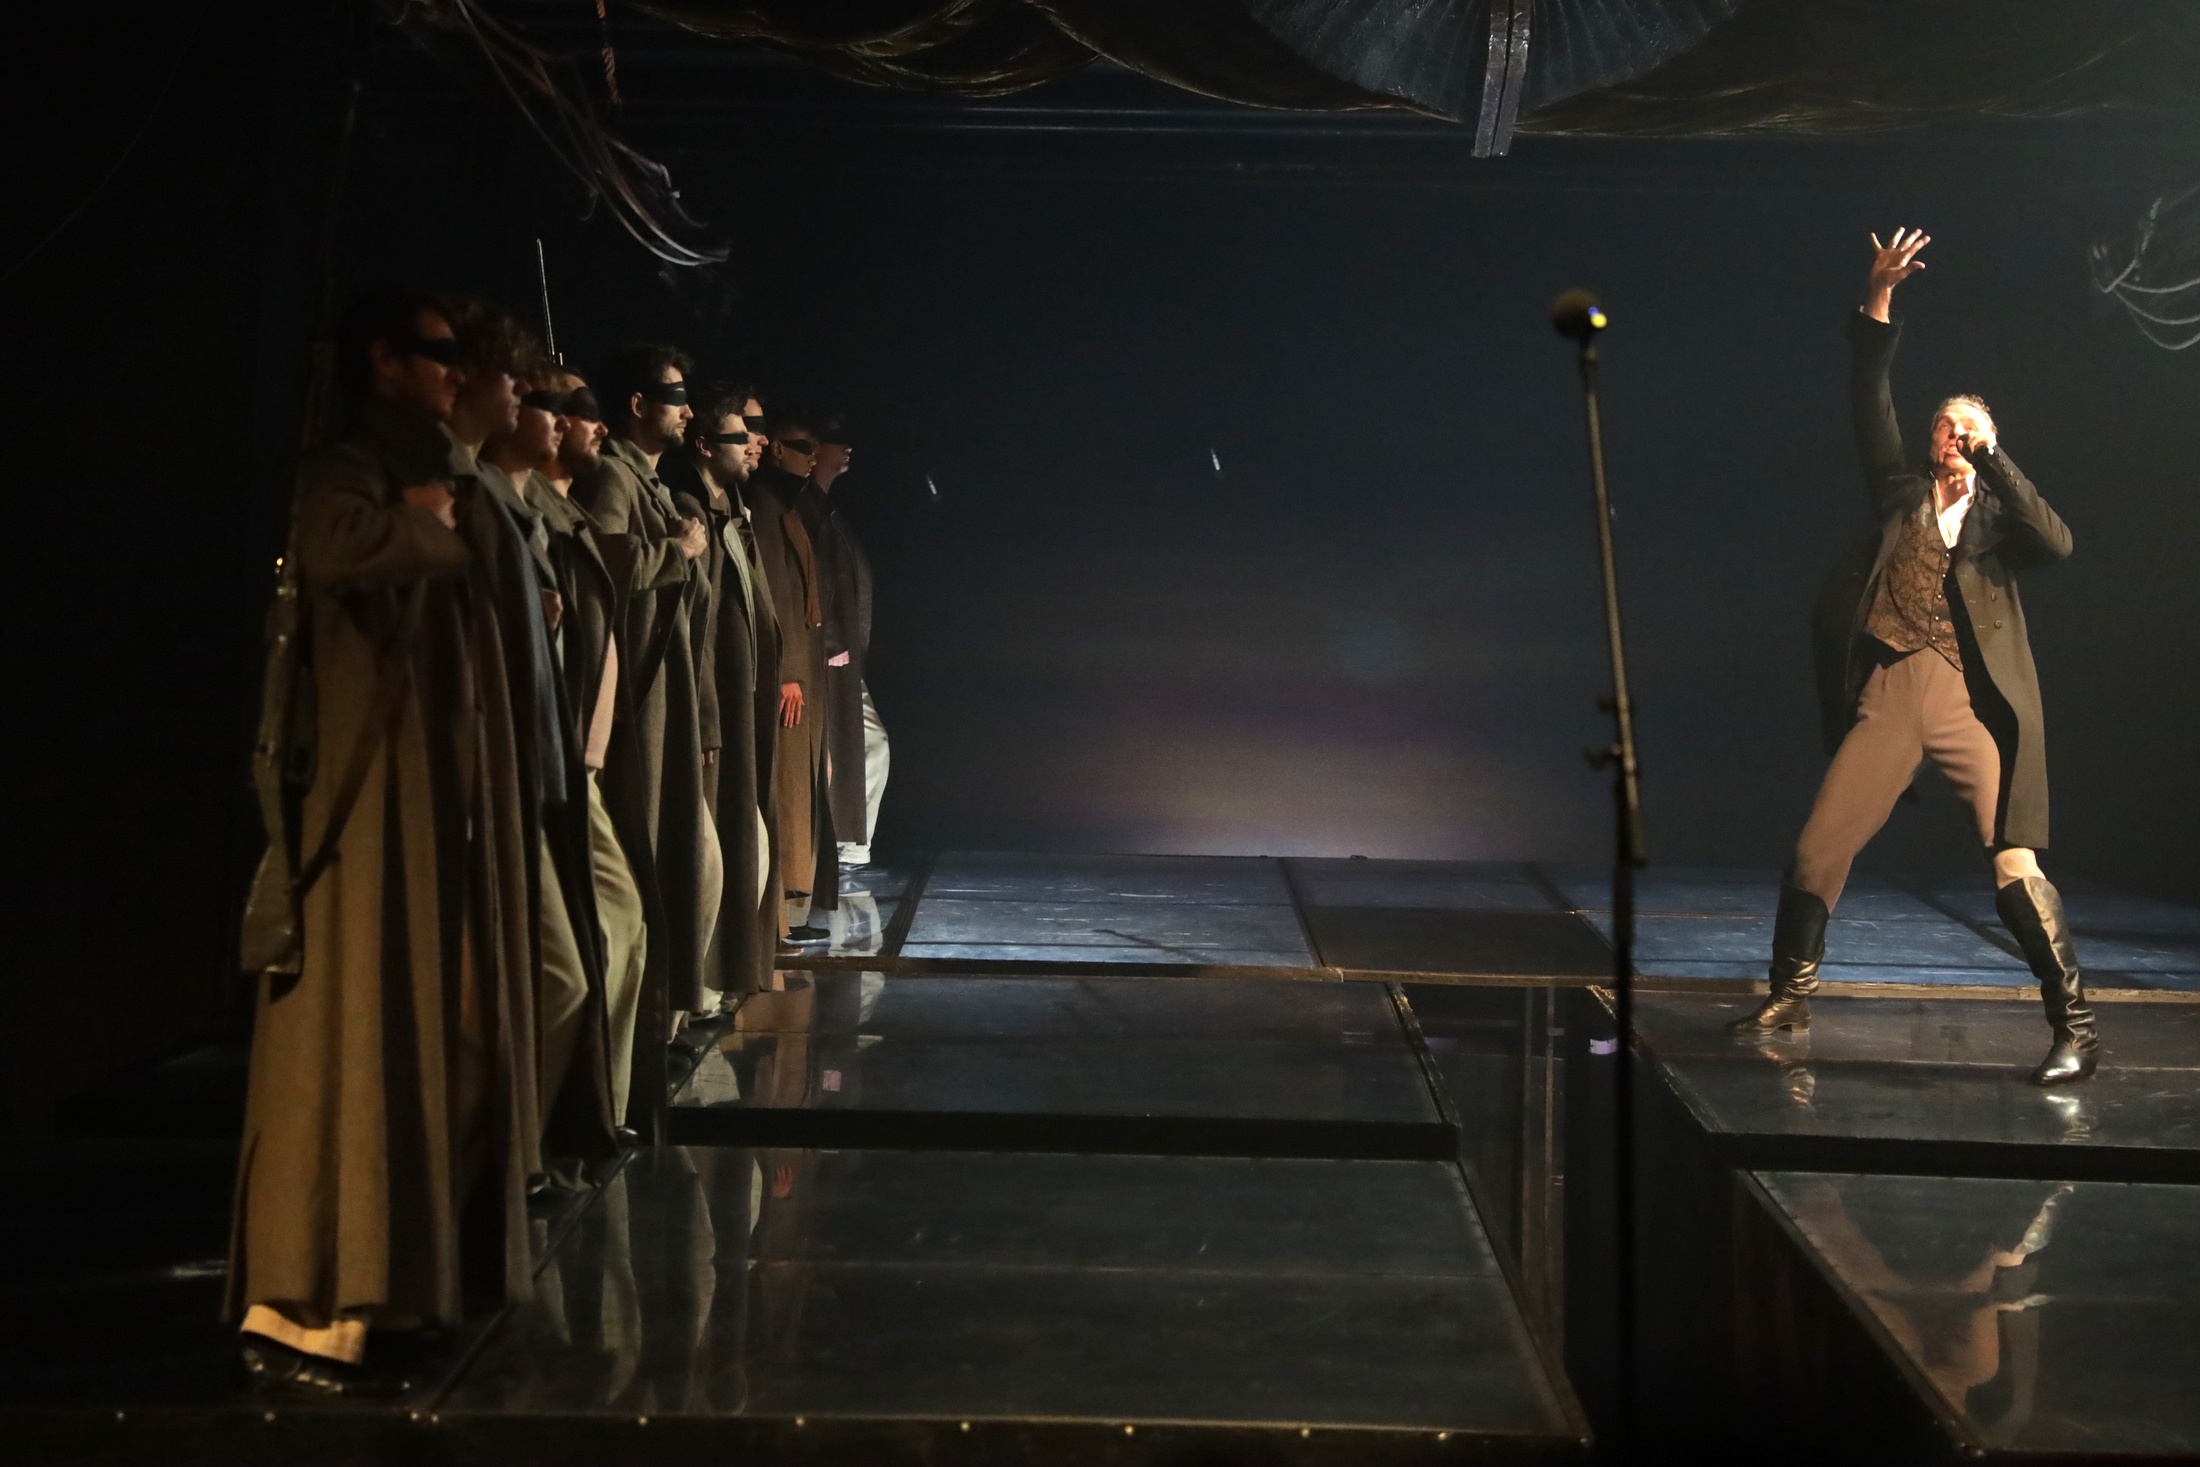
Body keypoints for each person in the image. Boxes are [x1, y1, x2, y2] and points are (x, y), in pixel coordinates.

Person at [229, 288, 540, 1397]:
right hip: (369, 811)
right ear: (384, 361)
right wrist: (426, 521)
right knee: (353, 1043)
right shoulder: (353, 467)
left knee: (453, 1038)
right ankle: (304, 1300)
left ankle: (399, 1285)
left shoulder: (436, 472)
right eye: (435, 354)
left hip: (440, 803)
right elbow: (339, 542)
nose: (456, 370)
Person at [1732, 229, 2093, 1086]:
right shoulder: (1899, 495)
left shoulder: (2002, 530)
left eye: (1971, 429)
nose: (1954, 435)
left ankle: (2075, 1027)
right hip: (1893, 690)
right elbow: (1870, 391)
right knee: (1817, 849)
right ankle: (1791, 993)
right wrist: (1880, 297)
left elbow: (2059, 541)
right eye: (1946, 426)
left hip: (1973, 704)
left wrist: (1992, 456)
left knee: (2013, 864)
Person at [449, 301, 619, 1168]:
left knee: (565, 966)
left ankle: (527, 1153)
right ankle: (503, 1163)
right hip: (495, 768)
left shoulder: (506, 502)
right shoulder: (461, 492)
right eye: (530, 391)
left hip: (542, 763)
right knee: (537, 978)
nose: (539, 407)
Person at [485, 366, 650, 1132]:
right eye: (562, 406)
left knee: (620, 928)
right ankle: (548, 1134)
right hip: (539, 757)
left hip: (572, 753)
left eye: (572, 408)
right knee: (569, 961)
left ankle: (589, 1117)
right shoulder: (514, 505)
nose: (582, 423)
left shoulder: (554, 508)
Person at [572, 345, 722, 1034]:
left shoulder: (649, 482)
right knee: (660, 858)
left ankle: (663, 1017)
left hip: (666, 691)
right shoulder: (613, 476)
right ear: (638, 404)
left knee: (690, 859)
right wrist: (678, 552)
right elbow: (602, 563)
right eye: (675, 397)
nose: (688, 411)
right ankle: (648, 1027)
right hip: (640, 693)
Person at [659, 383, 780, 995]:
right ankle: (698, 989)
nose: (755, 443)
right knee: (711, 850)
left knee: (744, 843)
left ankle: (717, 980)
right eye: (741, 434)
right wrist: (707, 714)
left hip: (736, 701)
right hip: (715, 707)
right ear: (706, 445)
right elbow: (697, 628)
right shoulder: (693, 509)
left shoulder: (729, 508)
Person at [744, 408, 837, 938]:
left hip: (802, 663)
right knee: (785, 783)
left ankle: (789, 910)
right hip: (789, 668)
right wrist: (786, 669)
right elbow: (773, 593)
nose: (811, 458)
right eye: (802, 448)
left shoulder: (786, 503)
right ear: (777, 449)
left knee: (800, 782)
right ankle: (777, 915)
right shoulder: (763, 503)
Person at [807, 416, 889, 871]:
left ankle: (847, 842)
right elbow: (809, 584)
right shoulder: (808, 508)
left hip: (841, 655)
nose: (847, 448)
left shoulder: (826, 510)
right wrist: (831, 642)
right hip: (827, 655)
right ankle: (841, 843)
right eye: (835, 440)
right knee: (860, 744)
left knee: (860, 745)